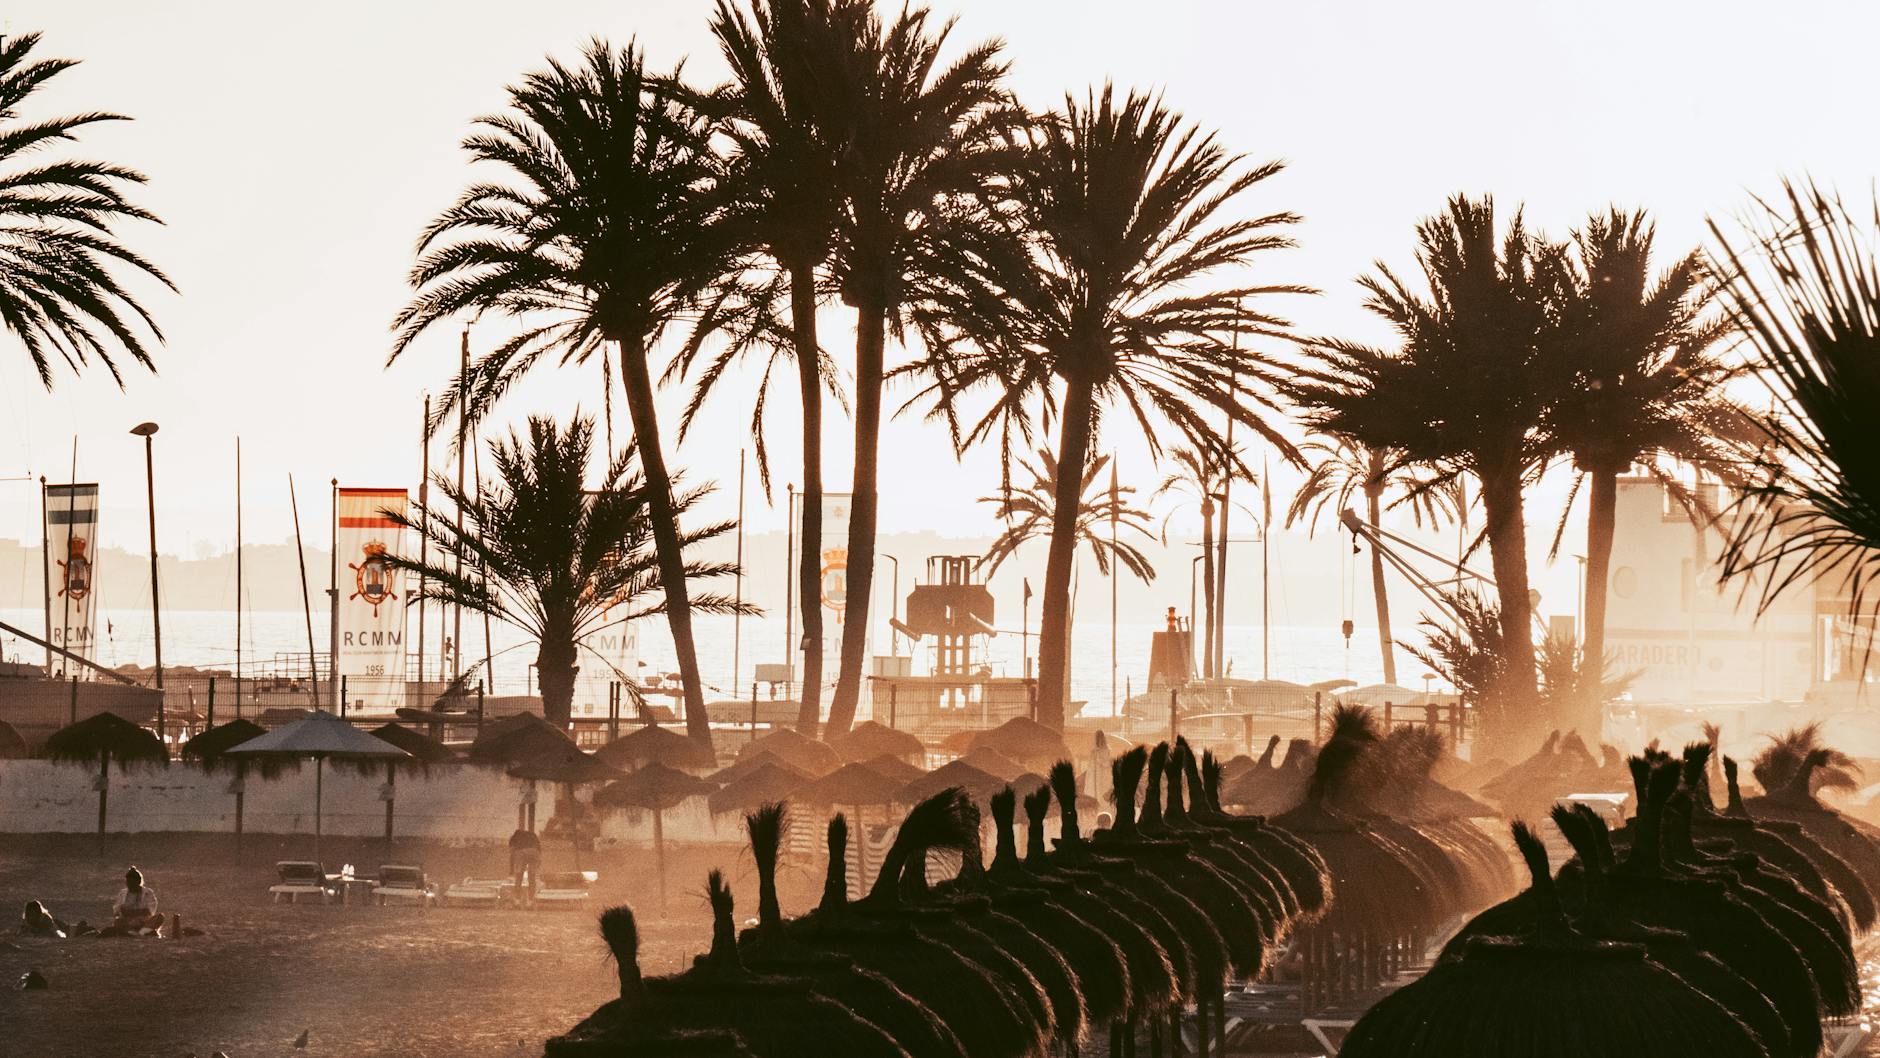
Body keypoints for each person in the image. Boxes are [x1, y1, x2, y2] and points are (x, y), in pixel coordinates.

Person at [112, 867, 163, 936]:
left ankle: (142, 931)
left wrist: (130, 912)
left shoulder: (148, 892)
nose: (130, 884)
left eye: (132, 882)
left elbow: (149, 911)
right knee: (118, 921)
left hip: (144, 921)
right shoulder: (123, 893)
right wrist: (136, 912)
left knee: (160, 917)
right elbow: (116, 911)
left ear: (138, 881)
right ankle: (132, 932)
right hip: (128, 922)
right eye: (128, 882)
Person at [509, 827, 541, 902]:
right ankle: (531, 900)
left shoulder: (514, 837)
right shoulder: (532, 835)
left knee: (519, 876)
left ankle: (517, 899)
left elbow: (512, 854)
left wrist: (511, 870)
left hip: (521, 852)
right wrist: (537, 864)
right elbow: (539, 850)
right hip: (534, 852)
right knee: (532, 877)